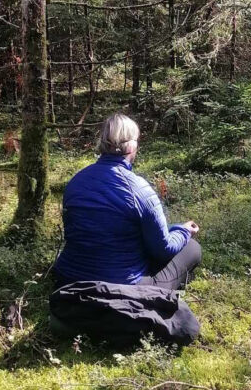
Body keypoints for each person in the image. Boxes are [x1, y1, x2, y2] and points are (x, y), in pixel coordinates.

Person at [53, 114, 201, 290]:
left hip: (69, 279)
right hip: (122, 287)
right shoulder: (139, 189)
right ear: (131, 146)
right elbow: (163, 250)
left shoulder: (76, 182)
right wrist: (184, 232)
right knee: (192, 248)